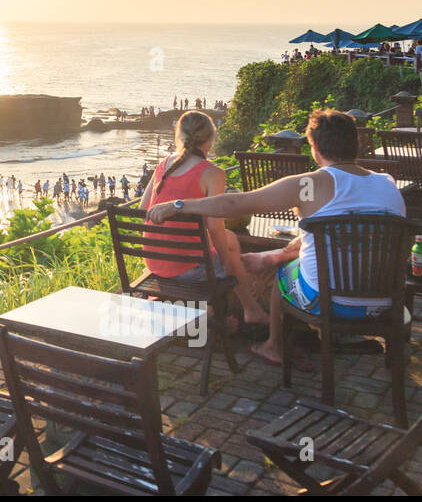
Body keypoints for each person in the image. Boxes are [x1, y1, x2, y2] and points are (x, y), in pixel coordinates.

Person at [147, 109, 406, 366]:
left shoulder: (308, 185)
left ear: (313, 147)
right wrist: (274, 254)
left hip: (326, 302)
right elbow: (343, 237)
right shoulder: (388, 183)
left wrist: (178, 205)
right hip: (384, 304)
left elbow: (237, 204)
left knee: (284, 273)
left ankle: (273, 346)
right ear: (355, 144)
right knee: (286, 259)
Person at [139, 110, 269, 326]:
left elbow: (144, 210)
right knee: (230, 244)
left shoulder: (163, 165)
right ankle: (249, 309)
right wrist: (227, 265)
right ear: (210, 140)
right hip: (188, 270)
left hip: (155, 263)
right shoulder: (213, 173)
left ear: (179, 137)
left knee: (227, 241)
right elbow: (214, 227)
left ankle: (218, 317)